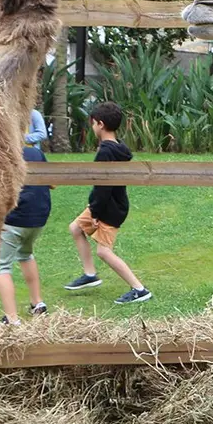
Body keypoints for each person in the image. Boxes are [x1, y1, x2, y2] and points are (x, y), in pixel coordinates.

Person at [63, 101, 152, 304]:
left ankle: (139, 289)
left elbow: (103, 187)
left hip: (109, 208)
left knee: (103, 251)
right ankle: (90, 274)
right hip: (108, 203)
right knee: (76, 228)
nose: (92, 127)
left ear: (100, 124)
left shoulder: (105, 152)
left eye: (93, 123)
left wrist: (95, 213)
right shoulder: (119, 147)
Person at [0, 145, 51, 325]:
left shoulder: (3, 152)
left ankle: (11, 319)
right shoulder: (36, 152)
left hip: (14, 219)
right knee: (26, 254)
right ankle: (37, 304)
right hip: (39, 217)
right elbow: (53, 182)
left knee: (1, 266)